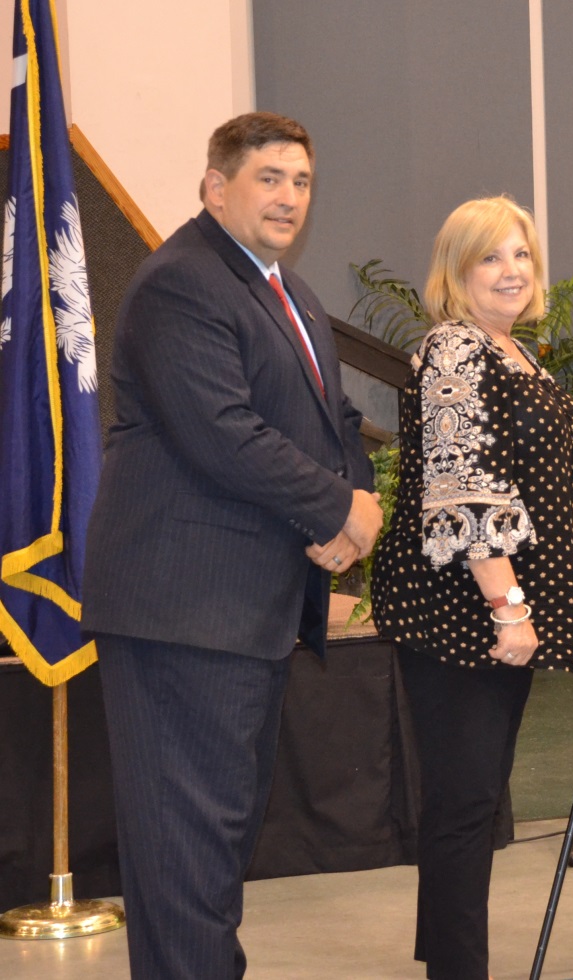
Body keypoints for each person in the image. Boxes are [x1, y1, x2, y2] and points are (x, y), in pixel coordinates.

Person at [82, 111, 383, 979]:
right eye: (270, 178)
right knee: (186, 854)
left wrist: (354, 499)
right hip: (184, 616)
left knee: (209, 848)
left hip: (235, 618)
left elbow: (338, 420)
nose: (290, 197)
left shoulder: (287, 291)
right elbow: (223, 432)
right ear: (216, 186)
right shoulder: (182, 283)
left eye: (302, 182)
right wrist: (336, 511)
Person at [370, 196, 573, 980]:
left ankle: (449, 956)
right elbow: (463, 484)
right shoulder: (458, 349)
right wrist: (509, 606)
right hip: (465, 616)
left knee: (469, 800)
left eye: (522, 256)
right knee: (466, 806)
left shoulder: (514, 353)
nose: (512, 272)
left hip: (494, 618)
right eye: (491, 258)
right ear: (456, 273)